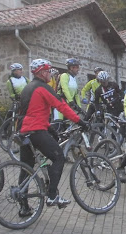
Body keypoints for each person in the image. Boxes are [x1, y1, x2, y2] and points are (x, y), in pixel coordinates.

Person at [17, 59, 89, 211]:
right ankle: (52, 196)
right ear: (42, 72)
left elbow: (31, 112)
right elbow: (61, 106)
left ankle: (23, 207)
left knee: (27, 168)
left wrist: (50, 128)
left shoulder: (28, 88)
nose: (50, 74)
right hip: (36, 131)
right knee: (59, 157)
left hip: (24, 131)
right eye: (48, 71)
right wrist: (80, 121)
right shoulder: (43, 88)